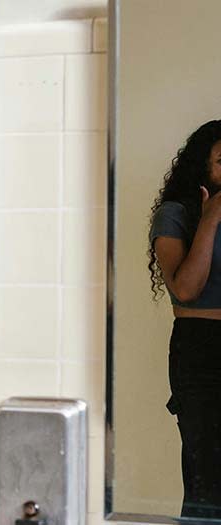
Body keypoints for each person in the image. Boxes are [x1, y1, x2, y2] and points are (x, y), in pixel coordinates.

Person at [148, 119, 221, 520]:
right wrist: (210, 218)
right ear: (202, 167)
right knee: (206, 476)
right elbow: (186, 290)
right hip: (201, 346)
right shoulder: (176, 214)